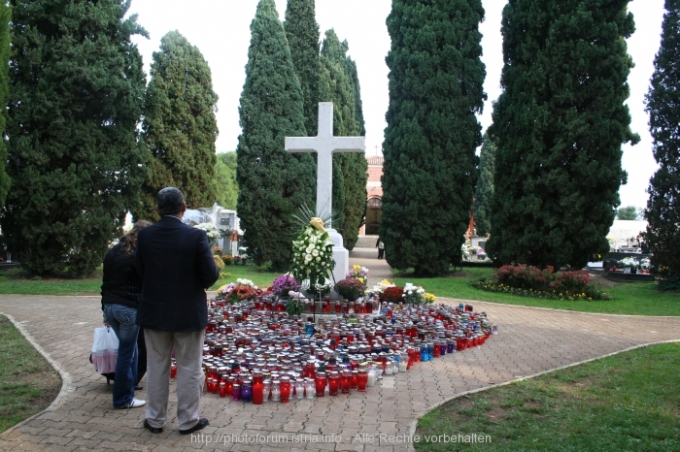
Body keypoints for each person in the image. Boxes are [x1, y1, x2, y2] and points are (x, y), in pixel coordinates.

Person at [136, 187, 219, 435]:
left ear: (158, 209)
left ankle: (154, 419)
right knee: (190, 367)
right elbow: (210, 275)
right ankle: (188, 420)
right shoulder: (195, 237)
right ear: (183, 207)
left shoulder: (146, 236)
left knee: (157, 366)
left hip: (154, 311)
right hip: (188, 312)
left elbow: (140, 271)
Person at [101, 220, 151, 409]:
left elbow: (105, 283)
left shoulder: (113, 252)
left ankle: (130, 387)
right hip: (128, 308)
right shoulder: (137, 255)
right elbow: (144, 282)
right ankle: (122, 398)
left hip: (110, 307)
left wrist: (104, 309)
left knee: (132, 350)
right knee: (126, 353)